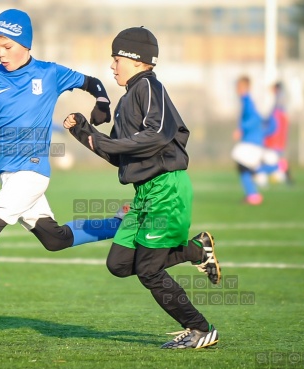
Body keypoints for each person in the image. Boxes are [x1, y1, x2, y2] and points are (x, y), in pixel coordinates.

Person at [0, 9, 124, 334]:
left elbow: (92, 82)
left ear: (25, 43)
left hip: (33, 171)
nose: (1, 53)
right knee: (54, 239)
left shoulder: (49, 73)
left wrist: (102, 101)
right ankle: (120, 224)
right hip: (9, 175)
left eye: (7, 46)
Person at [63, 27, 221, 349]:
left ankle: (200, 329)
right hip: (145, 194)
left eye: (116, 58)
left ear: (136, 60)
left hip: (166, 189)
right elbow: (120, 155)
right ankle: (196, 250)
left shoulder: (149, 86)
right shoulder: (126, 100)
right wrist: (83, 131)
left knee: (149, 269)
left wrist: (107, 139)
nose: (112, 65)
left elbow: (159, 133)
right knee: (119, 264)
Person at [231, 76, 264, 205]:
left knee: (238, 157)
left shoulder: (247, 101)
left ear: (245, 87)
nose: (236, 90)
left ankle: (262, 170)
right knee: (242, 166)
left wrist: (241, 128)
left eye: (239, 87)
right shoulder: (245, 101)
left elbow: (256, 118)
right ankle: (253, 195)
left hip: (252, 141)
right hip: (250, 140)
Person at [256, 81, 292, 185]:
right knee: (279, 159)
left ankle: (278, 173)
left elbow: (272, 126)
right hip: (278, 141)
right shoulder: (281, 110)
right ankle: (285, 176)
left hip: (274, 141)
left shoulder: (277, 110)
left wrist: (263, 133)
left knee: (267, 161)